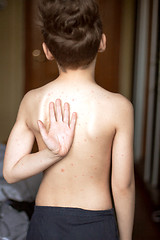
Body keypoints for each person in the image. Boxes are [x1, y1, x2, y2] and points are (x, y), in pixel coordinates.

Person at [3, 0, 135, 239]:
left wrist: (51, 154)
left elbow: (10, 172)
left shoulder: (32, 101)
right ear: (102, 42)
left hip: (47, 222)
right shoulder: (119, 108)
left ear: (47, 50)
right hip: (96, 223)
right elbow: (122, 185)